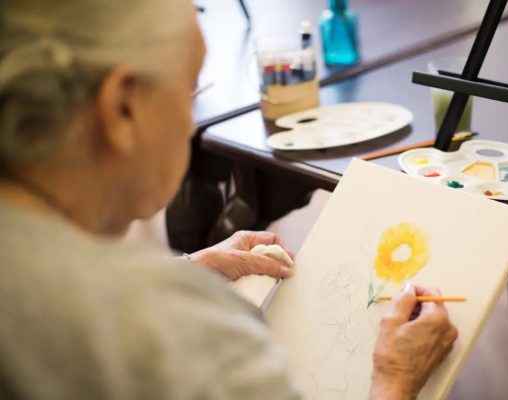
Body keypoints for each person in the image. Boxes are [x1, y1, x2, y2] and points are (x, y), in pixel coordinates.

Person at [0, 0, 458, 399]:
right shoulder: (174, 334)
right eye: (189, 92)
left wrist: (187, 269)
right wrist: (393, 382)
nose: (190, 123)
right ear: (122, 108)